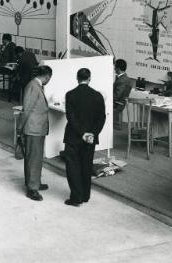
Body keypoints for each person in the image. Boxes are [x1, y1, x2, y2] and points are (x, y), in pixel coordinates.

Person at [63, 68, 106, 206]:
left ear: (77, 78)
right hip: (90, 139)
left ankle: (76, 197)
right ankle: (86, 196)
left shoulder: (70, 95)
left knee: (73, 167)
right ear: (89, 78)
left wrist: (82, 133)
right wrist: (92, 133)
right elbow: (101, 118)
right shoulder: (98, 96)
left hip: (74, 137)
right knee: (86, 166)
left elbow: (71, 118)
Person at [19, 65, 53, 201]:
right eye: (49, 78)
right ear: (46, 76)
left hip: (37, 128)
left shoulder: (35, 85)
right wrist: (20, 128)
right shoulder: (33, 86)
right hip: (33, 129)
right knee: (33, 158)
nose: (49, 80)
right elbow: (26, 109)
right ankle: (32, 189)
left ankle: (35, 182)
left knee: (36, 157)